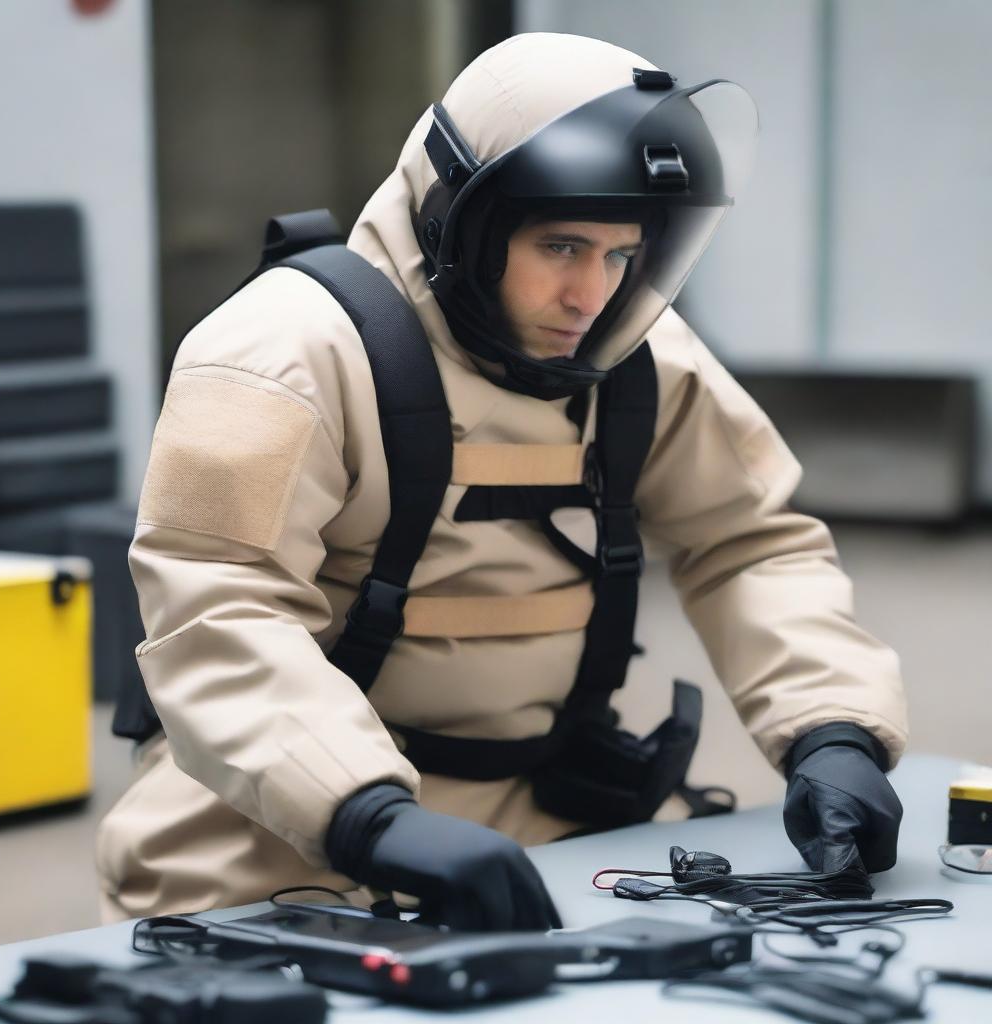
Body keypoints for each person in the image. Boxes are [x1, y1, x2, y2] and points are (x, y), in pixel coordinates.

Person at [96, 33, 906, 930]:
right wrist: (363, 812)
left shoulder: (635, 359)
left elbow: (747, 538)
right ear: (459, 220)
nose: (590, 296)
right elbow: (218, 610)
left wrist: (833, 730)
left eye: (621, 255)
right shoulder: (283, 351)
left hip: (536, 815)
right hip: (269, 828)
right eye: (561, 247)